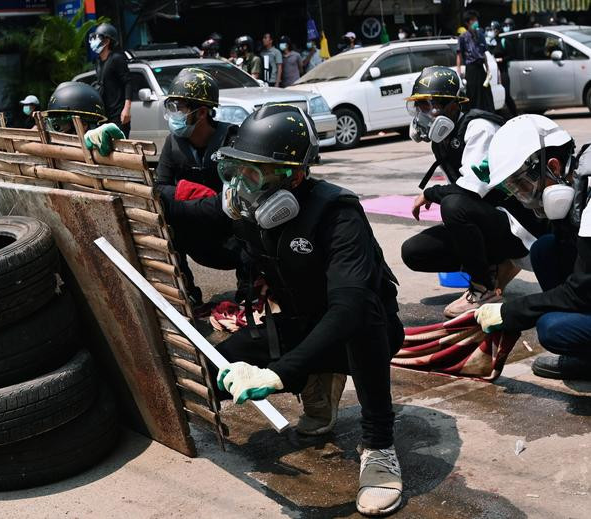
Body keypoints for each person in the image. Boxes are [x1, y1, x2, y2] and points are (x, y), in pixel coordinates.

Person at [210, 104, 404, 516]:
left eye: (255, 172)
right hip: (304, 323)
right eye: (236, 169)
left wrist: (280, 374)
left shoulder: (338, 214)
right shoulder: (248, 217)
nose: (241, 185)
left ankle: (379, 445)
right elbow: (180, 210)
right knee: (219, 360)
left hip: (363, 330)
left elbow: (349, 307)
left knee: (362, 318)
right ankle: (319, 383)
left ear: (294, 176)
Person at [400, 67, 546, 317]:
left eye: (428, 106)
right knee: (414, 251)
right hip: (488, 222)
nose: (422, 115)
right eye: (419, 107)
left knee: (453, 206)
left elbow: (470, 191)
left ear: (452, 106)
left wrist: (430, 193)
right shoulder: (444, 140)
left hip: (517, 226)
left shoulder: (480, 128)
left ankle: (483, 288)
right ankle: (494, 265)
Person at [476, 115, 591, 381]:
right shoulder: (577, 182)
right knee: (545, 250)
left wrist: (511, 312)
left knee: (553, 328)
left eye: (524, 185)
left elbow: (581, 291)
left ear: (553, 166)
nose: (526, 197)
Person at [152, 68, 240, 306]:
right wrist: (197, 197)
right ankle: (187, 293)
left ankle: (249, 291)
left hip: (231, 238)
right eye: (171, 107)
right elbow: (159, 189)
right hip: (195, 237)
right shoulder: (173, 144)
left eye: (179, 108)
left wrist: (178, 200)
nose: (174, 115)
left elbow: (234, 203)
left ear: (201, 112)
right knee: (163, 225)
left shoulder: (232, 142)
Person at [89, 23, 132, 138]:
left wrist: (126, 109)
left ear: (107, 41)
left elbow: (128, 83)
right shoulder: (98, 61)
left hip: (118, 115)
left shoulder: (117, 58)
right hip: (104, 115)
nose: (94, 41)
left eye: (98, 37)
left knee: (120, 151)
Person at [457, 10, 495, 112]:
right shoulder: (463, 37)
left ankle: (488, 113)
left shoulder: (481, 35)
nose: (476, 22)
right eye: (473, 20)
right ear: (467, 22)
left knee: (485, 93)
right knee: (473, 93)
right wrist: (459, 70)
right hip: (471, 69)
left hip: (480, 68)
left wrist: (487, 69)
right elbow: (459, 55)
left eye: (476, 19)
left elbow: (484, 54)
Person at [488, 21, 518, 117]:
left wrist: (501, 59)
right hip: (494, 72)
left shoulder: (504, 41)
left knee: (506, 94)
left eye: (493, 30)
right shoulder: (491, 42)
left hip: (503, 71)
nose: (492, 32)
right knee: (496, 94)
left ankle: (515, 114)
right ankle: (498, 116)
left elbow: (511, 55)